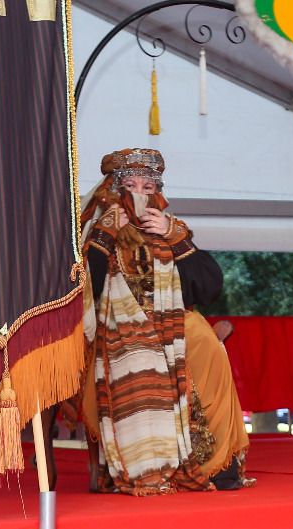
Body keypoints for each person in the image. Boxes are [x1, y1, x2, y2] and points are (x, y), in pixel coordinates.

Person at [80, 147, 252, 494]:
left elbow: (208, 287)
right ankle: (149, 463)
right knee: (140, 354)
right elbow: (83, 292)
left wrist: (176, 237)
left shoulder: (172, 229)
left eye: (148, 187)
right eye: (131, 185)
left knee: (207, 345)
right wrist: (104, 236)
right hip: (121, 327)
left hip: (173, 320)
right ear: (114, 189)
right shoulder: (96, 232)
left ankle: (218, 463)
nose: (141, 194)